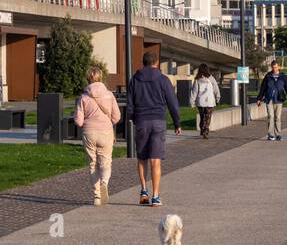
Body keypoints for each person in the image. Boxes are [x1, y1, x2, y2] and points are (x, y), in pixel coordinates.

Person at [128, 49, 181, 207]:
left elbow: (130, 103)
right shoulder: (163, 80)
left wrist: (133, 118)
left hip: (142, 121)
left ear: (143, 63)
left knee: (142, 158)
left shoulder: (134, 80)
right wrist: (177, 123)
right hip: (158, 121)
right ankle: (156, 196)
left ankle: (144, 191)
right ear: (157, 63)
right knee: (155, 160)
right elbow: (172, 103)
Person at [74, 66, 121, 205]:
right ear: (101, 77)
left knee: (92, 164)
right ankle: (104, 183)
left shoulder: (83, 97)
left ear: (88, 78)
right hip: (106, 131)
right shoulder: (109, 95)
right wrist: (108, 122)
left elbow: (78, 121)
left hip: (89, 132)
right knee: (106, 162)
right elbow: (117, 116)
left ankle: (96, 197)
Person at [256, 61, 287, 141]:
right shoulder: (268, 76)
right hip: (269, 99)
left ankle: (278, 134)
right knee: (271, 116)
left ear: (278, 67)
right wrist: (259, 98)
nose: (274, 69)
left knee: (278, 118)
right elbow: (263, 88)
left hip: (279, 99)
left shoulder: (283, 76)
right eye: (273, 67)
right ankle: (270, 134)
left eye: (275, 67)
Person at [189, 64, 221, 140]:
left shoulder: (197, 79)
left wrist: (192, 102)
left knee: (202, 116)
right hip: (210, 102)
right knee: (208, 116)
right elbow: (216, 89)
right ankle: (206, 129)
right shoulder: (211, 78)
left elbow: (194, 92)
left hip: (200, 102)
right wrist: (218, 98)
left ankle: (202, 128)